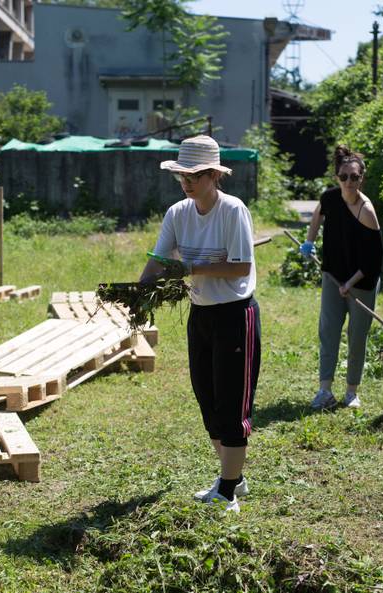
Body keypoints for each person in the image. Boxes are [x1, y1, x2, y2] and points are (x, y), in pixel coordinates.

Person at [139, 135, 261, 513]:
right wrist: (137, 292)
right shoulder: (178, 213)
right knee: (207, 398)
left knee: (231, 403)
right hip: (201, 314)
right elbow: (159, 260)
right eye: (182, 176)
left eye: (193, 176)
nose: (186, 183)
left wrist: (192, 267)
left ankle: (227, 491)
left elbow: (241, 265)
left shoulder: (233, 211)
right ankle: (232, 479)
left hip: (235, 314)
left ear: (212, 175)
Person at [300, 146, 383, 411]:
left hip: (363, 282)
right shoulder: (330, 198)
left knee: (357, 336)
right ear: (337, 177)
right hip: (332, 276)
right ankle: (324, 391)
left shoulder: (367, 211)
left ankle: (351, 392)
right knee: (328, 332)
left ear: (362, 178)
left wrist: (351, 283)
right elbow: (317, 214)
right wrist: (309, 242)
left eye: (354, 177)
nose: (349, 182)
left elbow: (373, 262)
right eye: (344, 176)